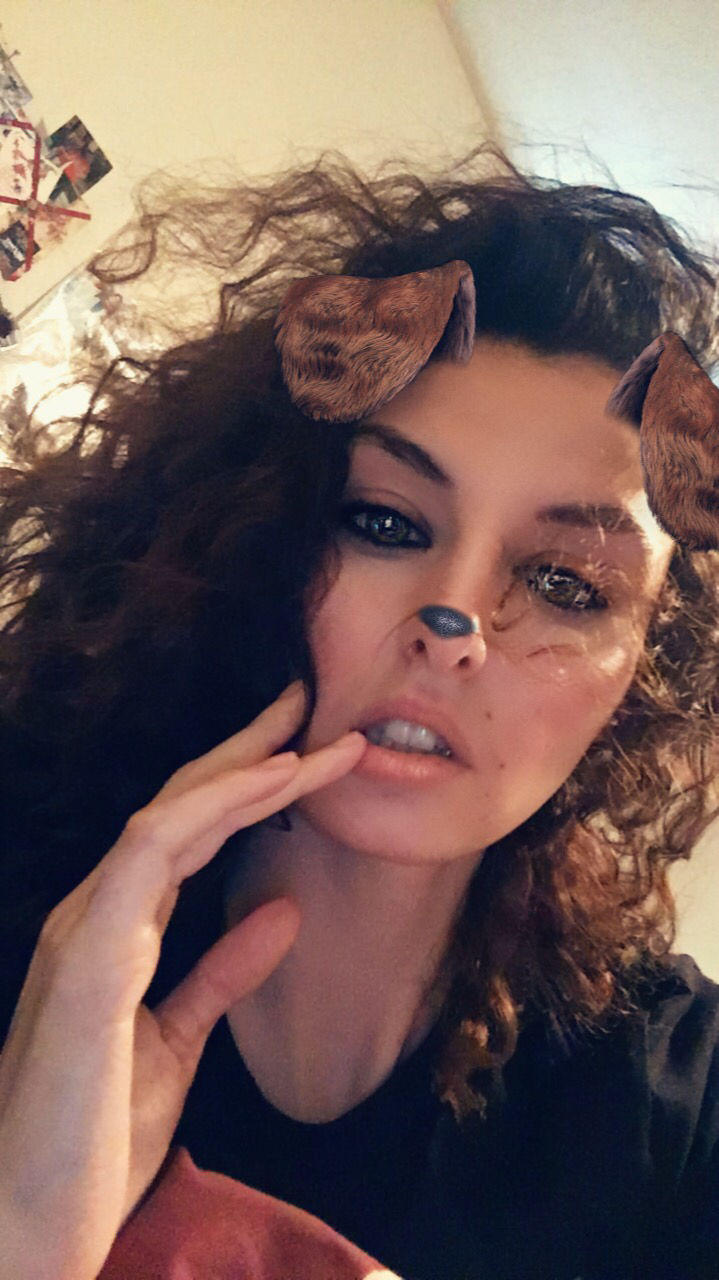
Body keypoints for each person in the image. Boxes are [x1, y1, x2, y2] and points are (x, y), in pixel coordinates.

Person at [0, 140, 718, 1279]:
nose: (453, 623)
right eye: (384, 523)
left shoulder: (668, 1103)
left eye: (564, 583)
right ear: (263, 535)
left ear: (641, 672)